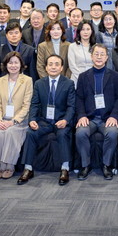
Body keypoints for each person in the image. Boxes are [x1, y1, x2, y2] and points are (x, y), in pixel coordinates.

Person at [19, 54, 74, 185]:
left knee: (62, 134)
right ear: (46, 67)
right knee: (30, 133)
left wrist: (65, 120)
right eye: (50, 64)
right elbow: (35, 104)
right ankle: (28, 168)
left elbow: (71, 106)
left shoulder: (69, 83)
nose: (53, 67)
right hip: (44, 121)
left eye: (57, 64)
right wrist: (32, 119)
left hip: (61, 120)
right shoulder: (39, 83)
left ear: (62, 68)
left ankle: (65, 168)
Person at [75, 44, 118, 180]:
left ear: (107, 57)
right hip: (89, 118)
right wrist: (81, 116)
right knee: (81, 132)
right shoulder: (83, 77)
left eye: (102, 54)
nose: (99, 57)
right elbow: (79, 98)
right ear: (91, 56)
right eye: (96, 54)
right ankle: (86, 165)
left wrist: (114, 116)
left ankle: (106, 165)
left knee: (112, 133)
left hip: (107, 118)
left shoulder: (115, 76)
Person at [0, 52, 33, 180]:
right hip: (3, 119)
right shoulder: (0, 81)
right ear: (5, 65)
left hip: (19, 121)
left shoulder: (27, 80)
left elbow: (26, 105)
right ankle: (1, 165)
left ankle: (10, 165)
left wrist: (13, 121)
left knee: (10, 132)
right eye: (10, 63)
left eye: (16, 62)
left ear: (21, 64)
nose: (13, 65)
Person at [67, 20, 95, 84]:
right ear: (79, 31)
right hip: (77, 79)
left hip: (93, 79)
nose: (85, 32)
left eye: (88, 29)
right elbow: (72, 66)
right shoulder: (72, 46)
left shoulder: (96, 47)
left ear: (92, 31)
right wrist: (82, 78)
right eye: (83, 29)